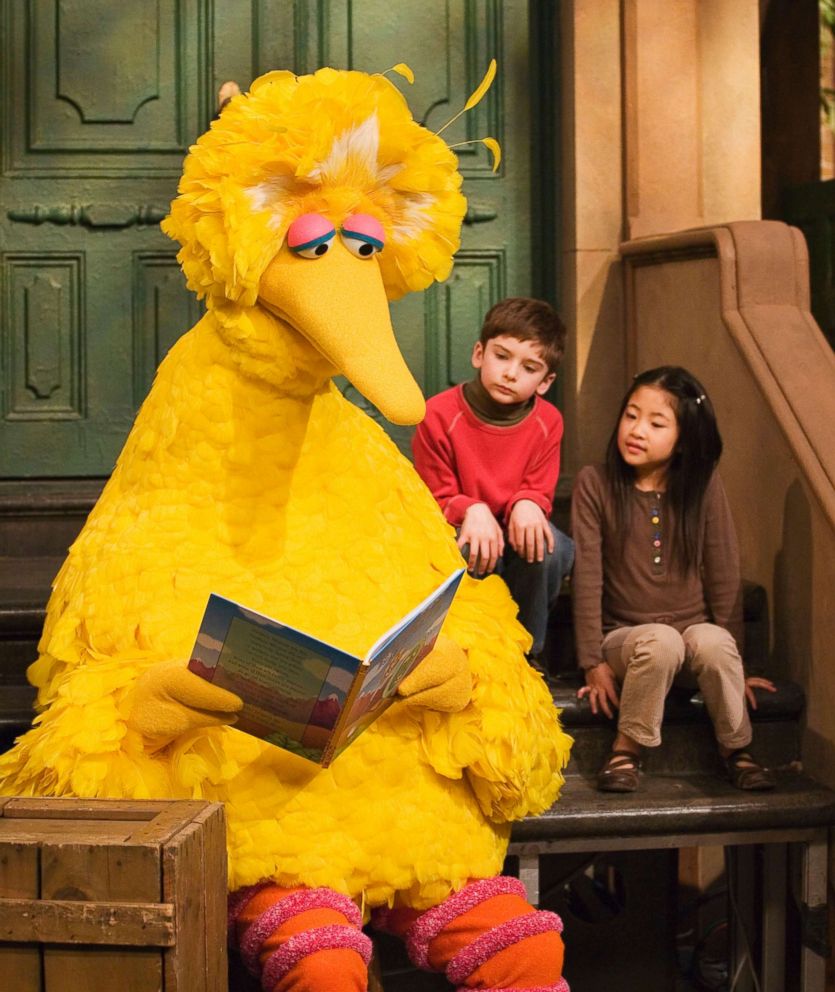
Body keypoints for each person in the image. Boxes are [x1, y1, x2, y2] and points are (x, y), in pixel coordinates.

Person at [571, 365, 777, 792]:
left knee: (713, 642)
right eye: (631, 415)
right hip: (626, 641)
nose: (636, 429)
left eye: (656, 422)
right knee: (660, 641)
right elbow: (586, 576)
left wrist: (737, 666)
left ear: (684, 439)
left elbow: (724, 571)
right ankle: (626, 750)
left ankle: (737, 749)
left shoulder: (702, 486)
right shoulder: (596, 483)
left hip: (691, 639)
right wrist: (592, 661)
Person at [412, 296, 574, 664]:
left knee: (551, 548)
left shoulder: (549, 422)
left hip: (513, 538)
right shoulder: (437, 414)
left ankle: (525, 657)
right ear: (478, 353)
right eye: (502, 357)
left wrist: (528, 501)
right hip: (460, 532)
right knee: (460, 550)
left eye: (529, 367)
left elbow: (539, 490)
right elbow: (435, 497)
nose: (511, 373)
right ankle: (461, 655)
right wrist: (472, 509)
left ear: (546, 381)